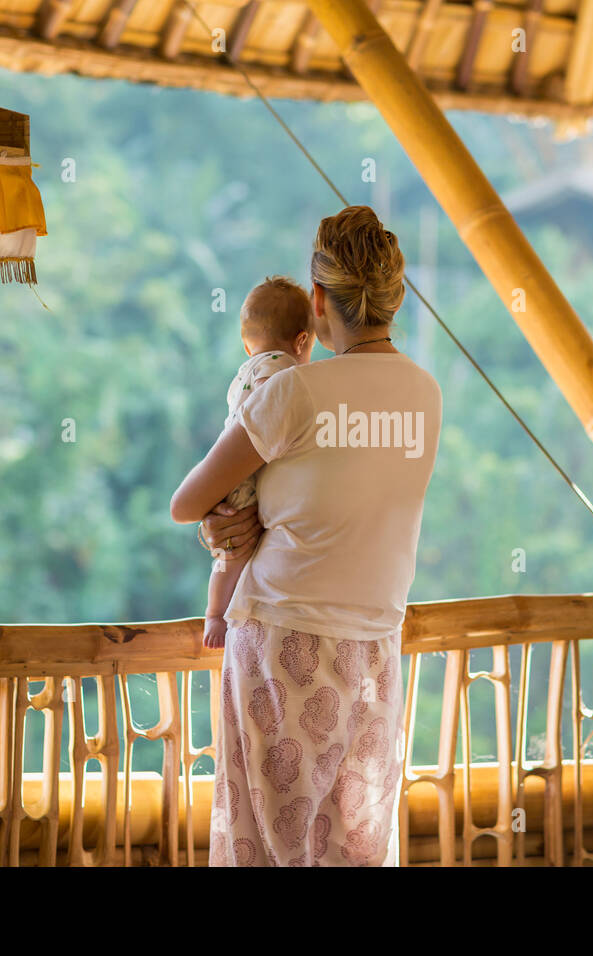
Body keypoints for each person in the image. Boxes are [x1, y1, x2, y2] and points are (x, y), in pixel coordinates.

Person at [169, 205, 442, 866]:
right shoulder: (424, 395)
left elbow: (187, 503)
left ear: (318, 300)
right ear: (393, 297)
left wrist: (227, 523)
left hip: (281, 644)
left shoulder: (295, 394)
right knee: (355, 849)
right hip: (375, 648)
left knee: (267, 846)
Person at [201, 276, 315, 651]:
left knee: (228, 553)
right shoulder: (288, 372)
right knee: (236, 552)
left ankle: (217, 609)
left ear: (247, 342)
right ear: (301, 341)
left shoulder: (243, 372)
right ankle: (216, 614)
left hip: (226, 463)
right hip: (247, 472)